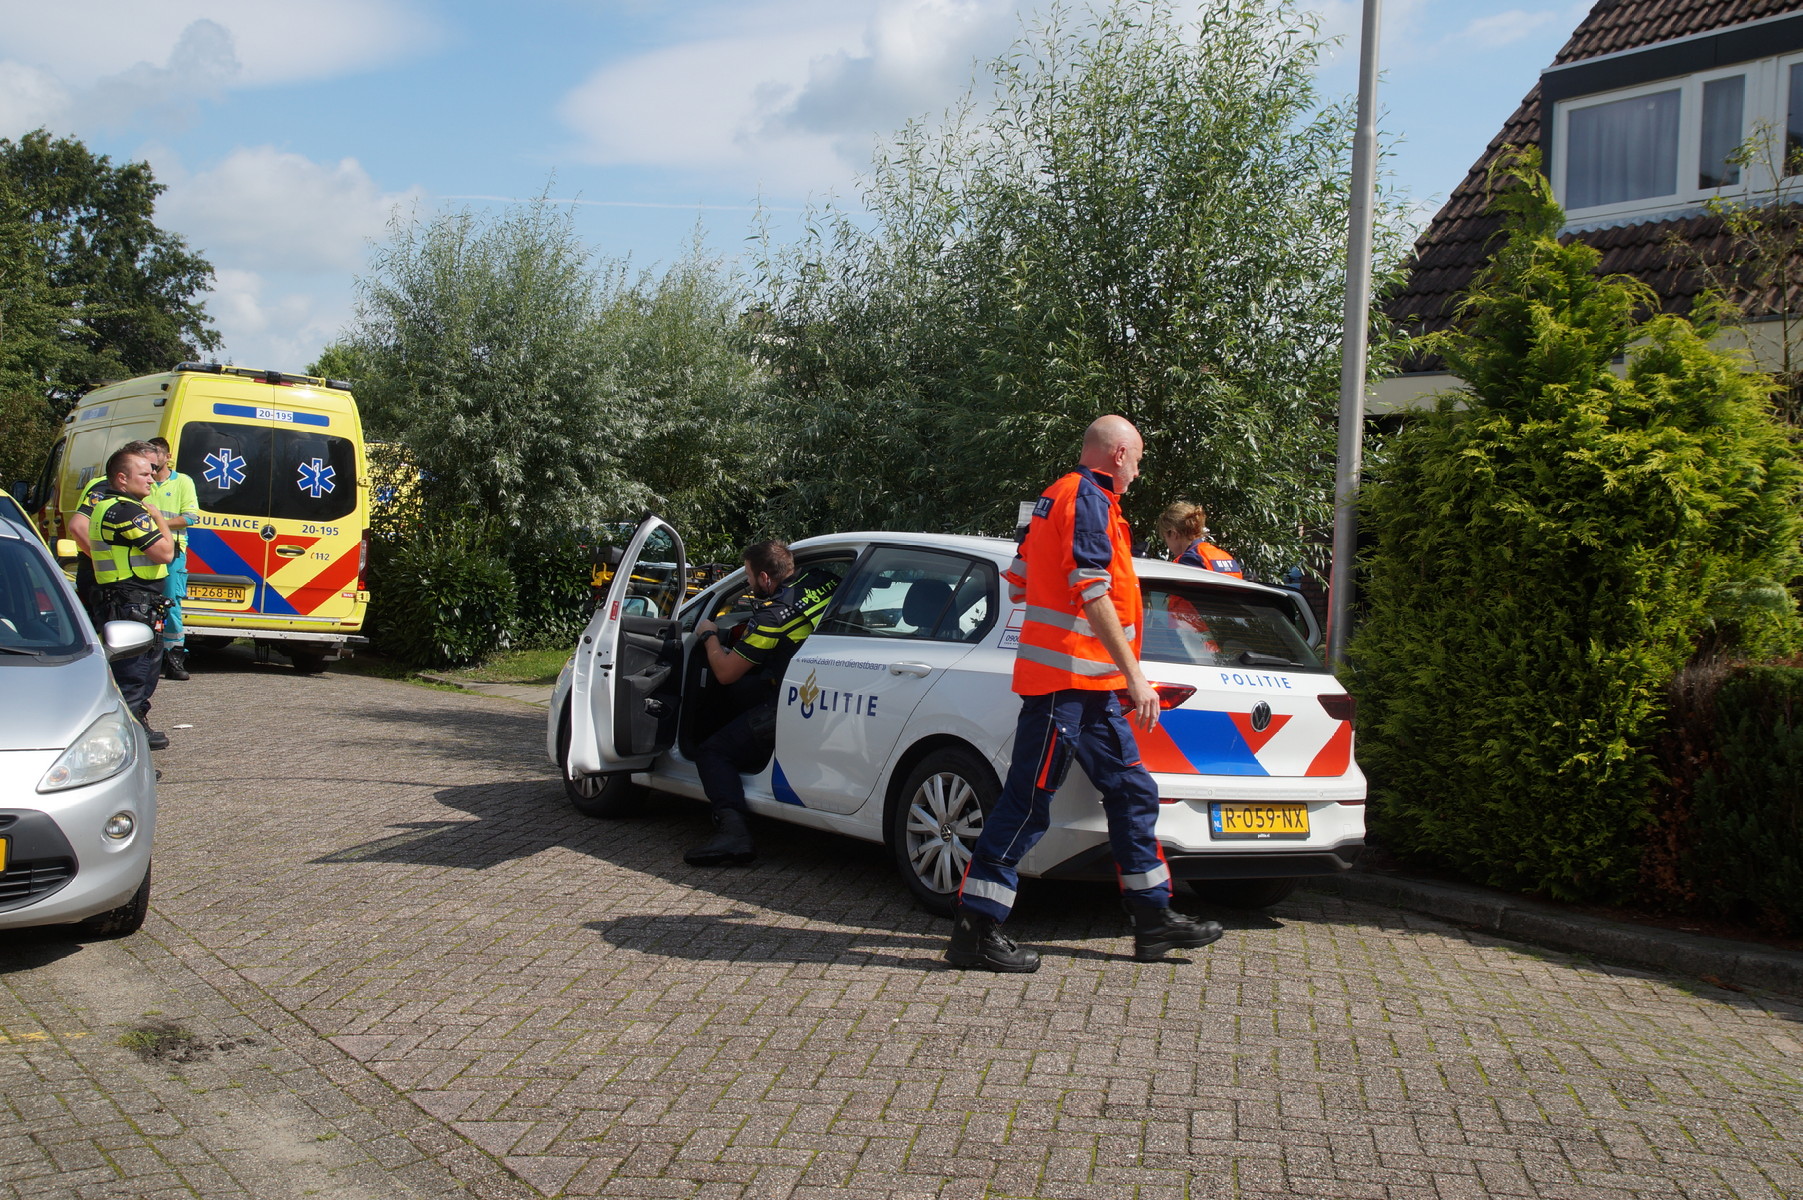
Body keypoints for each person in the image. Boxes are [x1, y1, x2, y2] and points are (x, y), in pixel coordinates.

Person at [946, 415, 1224, 972]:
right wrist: (1136, 675)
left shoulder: (1058, 498)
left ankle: (1152, 920)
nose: (1140, 470)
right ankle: (976, 929)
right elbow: (1092, 590)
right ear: (1119, 453)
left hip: (1084, 685)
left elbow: (1021, 578)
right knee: (1027, 804)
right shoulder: (1089, 500)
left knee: (1132, 792)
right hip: (1065, 686)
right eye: (1139, 458)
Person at [685, 540, 835, 867]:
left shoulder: (771, 617)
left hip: (794, 704)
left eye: (750, 578)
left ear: (766, 578)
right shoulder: (824, 580)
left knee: (712, 751)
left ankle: (733, 832)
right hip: (826, 688)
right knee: (745, 691)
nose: (750, 585)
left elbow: (724, 673)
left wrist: (709, 635)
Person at [85, 445, 176, 749]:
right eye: (144, 474)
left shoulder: (105, 505)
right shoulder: (127, 511)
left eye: (152, 473)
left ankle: (136, 738)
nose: (151, 479)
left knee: (133, 677)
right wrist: (158, 516)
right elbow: (165, 553)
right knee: (132, 680)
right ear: (122, 479)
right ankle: (129, 752)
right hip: (132, 603)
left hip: (124, 600)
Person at [67, 441, 158, 611]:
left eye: (156, 468)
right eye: (150, 466)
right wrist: (104, 562)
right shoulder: (105, 486)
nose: (153, 472)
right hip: (100, 576)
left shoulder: (135, 490)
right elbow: (78, 526)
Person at [147, 437, 200, 680]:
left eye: (156, 452)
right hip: (142, 549)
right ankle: (145, 654)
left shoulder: (183, 482)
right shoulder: (143, 481)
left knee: (170, 604)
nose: (153, 457)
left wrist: (158, 523)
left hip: (172, 550)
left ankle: (174, 657)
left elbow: (190, 517)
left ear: (168, 456)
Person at [1156, 501, 1244, 578]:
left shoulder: (1190, 559)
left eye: (1165, 537)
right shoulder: (1226, 558)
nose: (1167, 544)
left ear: (1173, 534)